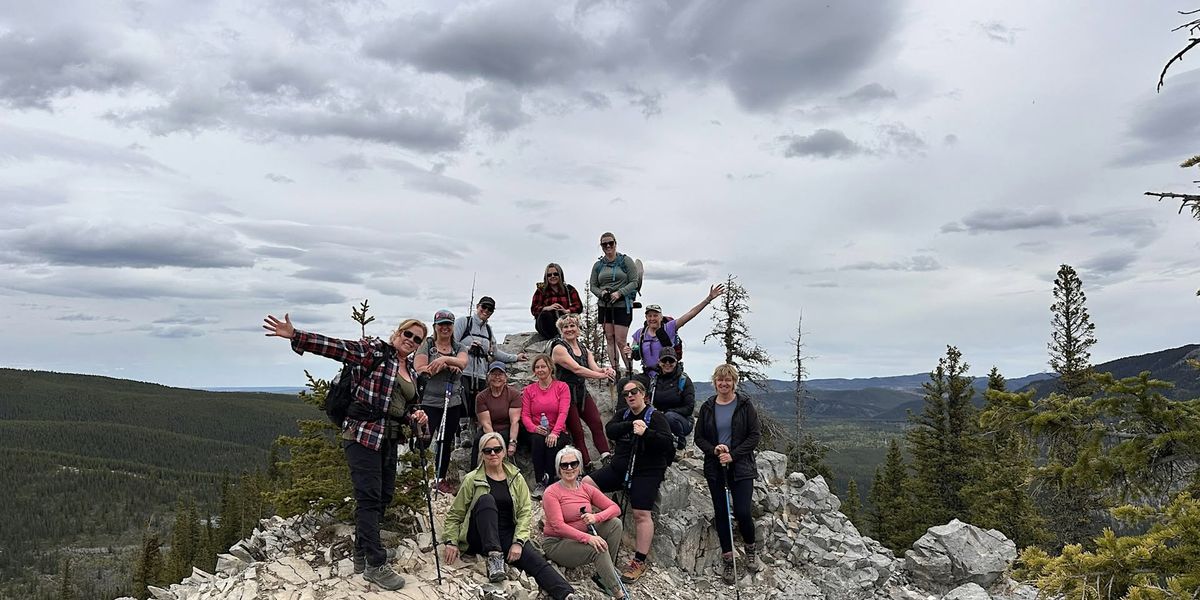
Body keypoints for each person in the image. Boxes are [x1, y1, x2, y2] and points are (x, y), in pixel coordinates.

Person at [261, 313, 429, 591]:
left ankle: (362, 553)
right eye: (407, 334)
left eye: (417, 339)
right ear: (397, 333)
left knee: (383, 496)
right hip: (361, 434)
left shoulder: (409, 371)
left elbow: (402, 406)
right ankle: (375, 564)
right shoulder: (374, 352)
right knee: (369, 497)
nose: (410, 340)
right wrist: (296, 335)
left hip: (388, 438)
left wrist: (416, 415)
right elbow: (336, 347)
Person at [442, 433, 578, 600]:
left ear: (504, 452)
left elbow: (525, 512)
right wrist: (451, 541)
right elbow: (455, 514)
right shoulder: (472, 479)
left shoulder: (516, 477)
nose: (493, 454)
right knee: (486, 500)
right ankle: (494, 558)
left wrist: (519, 541)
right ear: (482, 454)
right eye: (488, 450)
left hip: (506, 533)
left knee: (535, 561)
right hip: (478, 534)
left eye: (497, 449)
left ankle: (567, 594)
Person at [583, 378, 674, 583]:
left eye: (634, 392)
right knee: (587, 484)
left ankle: (639, 561)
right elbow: (611, 430)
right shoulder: (623, 415)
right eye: (626, 394)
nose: (630, 396)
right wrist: (630, 425)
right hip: (619, 468)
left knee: (641, 513)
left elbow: (668, 444)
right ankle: (596, 527)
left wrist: (646, 433)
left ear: (643, 394)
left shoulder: (656, 417)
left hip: (647, 471)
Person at [693, 364, 763, 584]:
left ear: (735, 382)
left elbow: (754, 436)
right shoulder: (707, 407)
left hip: (741, 467)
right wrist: (714, 449)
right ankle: (728, 559)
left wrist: (733, 454)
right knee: (722, 512)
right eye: (720, 380)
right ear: (715, 382)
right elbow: (699, 438)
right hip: (715, 467)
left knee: (742, 511)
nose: (724, 383)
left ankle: (750, 548)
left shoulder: (744, 405)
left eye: (728, 380)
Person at [542, 446, 626, 599]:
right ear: (558, 469)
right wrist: (589, 538)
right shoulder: (551, 492)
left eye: (573, 464)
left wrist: (596, 517)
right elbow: (558, 526)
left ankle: (606, 574)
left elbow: (615, 509)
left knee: (615, 524)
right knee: (598, 549)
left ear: (579, 466)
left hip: (581, 535)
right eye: (564, 465)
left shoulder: (586, 489)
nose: (569, 468)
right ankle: (618, 593)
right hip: (557, 542)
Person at [550, 313, 615, 470]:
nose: (569, 329)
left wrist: (606, 370)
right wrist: (601, 376)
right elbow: (577, 369)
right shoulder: (559, 348)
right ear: (561, 330)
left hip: (581, 393)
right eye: (565, 327)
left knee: (596, 423)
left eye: (572, 326)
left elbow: (594, 368)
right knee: (577, 432)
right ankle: (586, 464)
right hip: (565, 395)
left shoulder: (584, 349)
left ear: (578, 329)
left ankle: (606, 456)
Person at [414, 309, 469, 494]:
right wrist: (445, 366)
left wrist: (445, 359)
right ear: (435, 327)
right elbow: (420, 369)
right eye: (441, 324)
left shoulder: (459, 347)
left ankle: (440, 478)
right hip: (429, 402)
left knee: (446, 440)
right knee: (424, 438)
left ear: (453, 326)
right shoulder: (426, 345)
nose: (445, 328)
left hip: (451, 401)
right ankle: (415, 478)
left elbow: (462, 363)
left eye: (448, 324)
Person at [455, 296, 525, 436]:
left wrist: (515, 357)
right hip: (463, 371)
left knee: (478, 405)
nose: (486, 311)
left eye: (490, 309)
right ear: (477, 306)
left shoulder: (488, 330)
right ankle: (460, 436)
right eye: (484, 307)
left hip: (481, 374)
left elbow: (495, 352)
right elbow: (452, 344)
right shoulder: (464, 322)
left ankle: (477, 435)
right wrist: (468, 348)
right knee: (462, 403)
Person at [625, 284, 725, 376]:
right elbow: (633, 352)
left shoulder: (669, 328)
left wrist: (708, 299)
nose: (652, 319)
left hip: (667, 373)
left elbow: (690, 314)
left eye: (655, 315)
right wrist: (628, 351)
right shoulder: (640, 333)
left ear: (661, 317)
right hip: (647, 374)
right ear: (646, 317)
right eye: (649, 316)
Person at [520, 354, 570, 498]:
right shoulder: (529, 390)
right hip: (537, 430)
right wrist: (534, 428)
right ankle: (540, 482)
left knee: (552, 443)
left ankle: (552, 482)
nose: (540, 370)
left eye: (543, 366)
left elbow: (563, 412)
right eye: (537, 367)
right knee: (537, 440)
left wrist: (555, 432)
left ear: (550, 368)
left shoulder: (561, 387)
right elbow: (525, 415)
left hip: (557, 430)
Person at [590, 232, 638, 376]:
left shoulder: (626, 261)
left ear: (615, 243)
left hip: (623, 305)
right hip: (605, 306)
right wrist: (602, 293)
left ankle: (629, 371)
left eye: (611, 243)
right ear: (601, 246)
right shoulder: (598, 265)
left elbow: (634, 282)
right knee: (609, 338)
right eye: (605, 244)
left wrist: (619, 293)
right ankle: (615, 370)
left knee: (621, 340)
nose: (608, 246)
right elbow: (593, 286)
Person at [471, 361, 523, 469]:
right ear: (488, 377)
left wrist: (512, 443)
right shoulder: (481, 397)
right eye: (494, 374)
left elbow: (515, 421)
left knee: (505, 438)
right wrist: (494, 441)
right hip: (489, 428)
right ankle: (475, 471)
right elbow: (486, 423)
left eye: (500, 374)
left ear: (505, 377)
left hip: (508, 428)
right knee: (478, 440)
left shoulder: (514, 394)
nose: (497, 377)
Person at [648, 348, 695, 451]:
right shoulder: (654, 380)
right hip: (660, 417)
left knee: (669, 417)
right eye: (664, 360)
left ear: (676, 361)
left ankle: (679, 442)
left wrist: (668, 412)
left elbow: (689, 408)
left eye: (671, 360)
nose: (667, 363)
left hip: (682, 420)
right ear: (659, 362)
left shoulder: (684, 380)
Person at [530, 263, 583, 342]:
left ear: (560, 275)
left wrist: (566, 310)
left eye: (555, 274)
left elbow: (579, 306)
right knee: (545, 315)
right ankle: (556, 339)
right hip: (546, 323)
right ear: (546, 277)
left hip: (564, 321)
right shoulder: (541, 290)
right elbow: (534, 309)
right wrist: (547, 308)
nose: (552, 276)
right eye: (549, 275)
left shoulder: (569, 289)